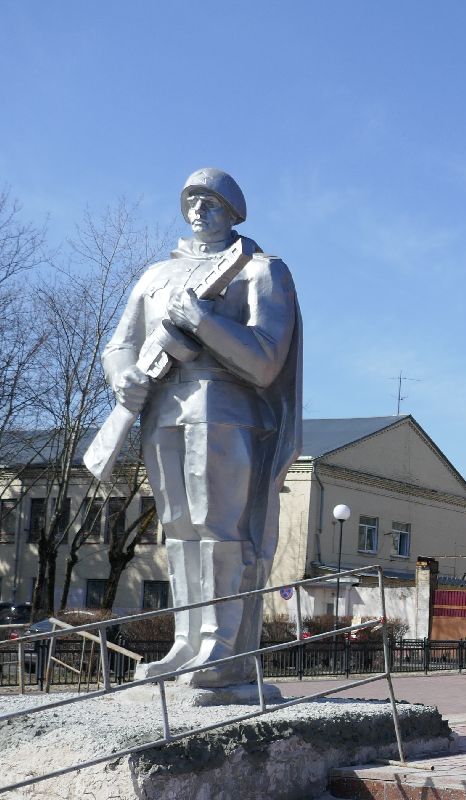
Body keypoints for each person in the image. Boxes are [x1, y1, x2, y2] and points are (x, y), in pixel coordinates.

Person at [102, 168, 301, 688]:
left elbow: (264, 362)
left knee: (220, 529)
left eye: (210, 201)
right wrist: (122, 377)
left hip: (226, 409)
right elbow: (121, 343)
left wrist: (203, 321)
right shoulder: (154, 276)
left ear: (234, 210)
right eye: (191, 200)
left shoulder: (259, 270)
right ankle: (186, 642)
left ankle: (222, 647)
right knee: (179, 531)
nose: (198, 210)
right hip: (160, 411)